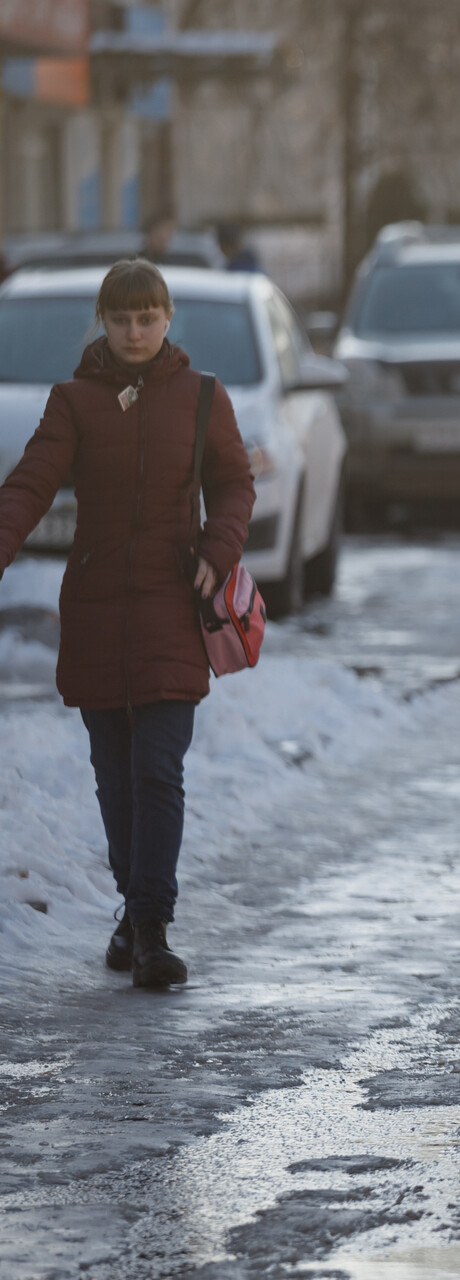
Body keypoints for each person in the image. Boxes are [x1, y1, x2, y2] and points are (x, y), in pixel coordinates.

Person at [0, 259, 255, 988]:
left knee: (157, 768)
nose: (135, 331)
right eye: (121, 319)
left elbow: (234, 483)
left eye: (147, 317)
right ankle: (134, 908)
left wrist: (219, 546)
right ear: (104, 324)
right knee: (115, 779)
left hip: (174, 609)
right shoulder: (74, 403)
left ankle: (151, 928)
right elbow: (29, 484)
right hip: (97, 613)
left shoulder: (204, 398)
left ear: (168, 317)